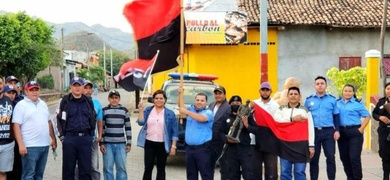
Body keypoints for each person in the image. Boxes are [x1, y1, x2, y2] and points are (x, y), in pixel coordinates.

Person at [12, 81, 57, 180]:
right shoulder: (21, 105)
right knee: (28, 175)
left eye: (36, 89)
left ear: (39, 91)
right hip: (29, 146)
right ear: (26, 91)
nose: (34, 92)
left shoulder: (43, 104)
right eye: (31, 90)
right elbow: (16, 126)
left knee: (39, 175)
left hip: (44, 145)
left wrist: (53, 139)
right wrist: (21, 144)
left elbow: (49, 122)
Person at [56, 77, 97, 180]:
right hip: (70, 139)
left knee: (86, 171)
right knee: (68, 171)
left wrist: (91, 136)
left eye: (79, 85)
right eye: (75, 85)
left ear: (83, 86)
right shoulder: (64, 101)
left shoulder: (88, 101)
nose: (77, 88)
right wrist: (62, 137)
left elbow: (93, 118)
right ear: (71, 87)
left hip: (85, 139)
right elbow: (57, 120)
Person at [274, 86, 315, 180]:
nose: (293, 96)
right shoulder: (281, 109)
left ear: (299, 96)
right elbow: (277, 121)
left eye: (295, 94)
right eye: (291, 94)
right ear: (287, 96)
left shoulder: (305, 110)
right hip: (284, 145)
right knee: (285, 172)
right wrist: (292, 119)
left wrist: (311, 145)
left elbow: (310, 128)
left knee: (299, 172)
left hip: (301, 146)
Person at [136, 89, 178, 180]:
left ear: (165, 100)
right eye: (156, 98)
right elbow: (140, 122)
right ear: (153, 100)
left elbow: (175, 131)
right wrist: (140, 110)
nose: (159, 100)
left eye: (161, 98)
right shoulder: (148, 110)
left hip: (163, 144)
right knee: (148, 168)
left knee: (161, 168)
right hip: (149, 143)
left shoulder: (170, 114)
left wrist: (173, 146)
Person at [304, 76, 340, 180]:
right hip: (314, 132)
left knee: (330, 157)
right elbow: (305, 117)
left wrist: (337, 130)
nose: (320, 85)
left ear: (326, 85)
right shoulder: (308, 100)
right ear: (314, 86)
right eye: (318, 84)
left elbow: (336, 116)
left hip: (329, 132)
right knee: (313, 158)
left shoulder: (332, 100)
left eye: (322, 83)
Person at [337, 84, 370, 180]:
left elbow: (367, 116)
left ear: (353, 92)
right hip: (342, 132)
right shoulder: (337, 103)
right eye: (345, 91)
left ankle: (357, 178)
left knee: (354, 158)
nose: (347, 93)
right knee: (344, 157)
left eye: (350, 91)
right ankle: (350, 177)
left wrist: (361, 129)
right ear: (342, 92)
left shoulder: (358, 103)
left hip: (355, 132)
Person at [179, 90, 214, 180]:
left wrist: (187, 112)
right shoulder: (190, 109)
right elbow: (180, 105)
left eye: (202, 100)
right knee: (191, 175)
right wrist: (180, 94)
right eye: (197, 100)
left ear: (206, 102)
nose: (199, 102)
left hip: (203, 150)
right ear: (194, 101)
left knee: (206, 175)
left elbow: (201, 119)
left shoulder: (208, 112)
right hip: (189, 149)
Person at [100, 90, 131, 180]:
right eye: (112, 98)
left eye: (116, 98)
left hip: (121, 144)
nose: (114, 100)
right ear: (109, 99)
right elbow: (102, 128)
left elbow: (128, 128)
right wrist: (101, 143)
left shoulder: (124, 111)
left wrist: (128, 143)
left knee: (121, 168)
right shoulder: (104, 111)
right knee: (107, 168)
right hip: (107, 144)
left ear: (119, 99)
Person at [220, 95, 253, 180]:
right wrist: (227, 139)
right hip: (231, 151)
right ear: (230, 104)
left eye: (238, 103)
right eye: (233, 103)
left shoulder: (248, 117)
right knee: (233, 175)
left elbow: (256, 130)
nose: (235, 104)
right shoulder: (226, 117)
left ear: (241, 104)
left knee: (248, 175)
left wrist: (247, 125)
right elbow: (220, 132)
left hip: (245, 150)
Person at [251, 82, 279, 180]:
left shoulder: (275, 106)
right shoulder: (254, 104)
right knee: (255, 171)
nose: (265, 92)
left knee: (271, 172)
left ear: (271, 91)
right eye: (263, 90)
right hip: (255, 141)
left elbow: (277, 122)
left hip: (270, 141)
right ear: (260, 91)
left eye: (267, 90)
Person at [79, 80, 103, 180]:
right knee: (78, 166)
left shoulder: (96, 103)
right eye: (86, 88)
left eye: (90, 88)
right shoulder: (76, 102)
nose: (88, 91)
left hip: (92, 140)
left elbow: (100, 120)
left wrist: (100, 136)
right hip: (78, 139)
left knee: (94, 166)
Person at [208, 86, 230, 179]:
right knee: (209, 166)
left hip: (222, 141)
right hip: (210, 140)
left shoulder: (228, 106)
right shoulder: (211, 105)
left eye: (220, 93)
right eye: (216, 93)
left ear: (224, 94)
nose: (218, 95)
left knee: (224, 166)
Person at [5, 76, 24, 180]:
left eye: (15, 83)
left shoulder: (22, 101)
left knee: (19, 162)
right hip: (5, 138)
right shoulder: (2, 101)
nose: (12, 84)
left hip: (18, 137)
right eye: (10, 82)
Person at [372, 82, 390, 180]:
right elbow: (374, 113)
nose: (389, 91)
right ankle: (385, 176)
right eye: (387, 89)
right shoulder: (381, 102)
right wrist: (380, 117)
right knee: (384, 154)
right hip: (384, 131)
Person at [0, 77, 15, 180]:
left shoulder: (8, 101)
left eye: (0, 83)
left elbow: (14, 122)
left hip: (7, 144)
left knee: (3, 173)